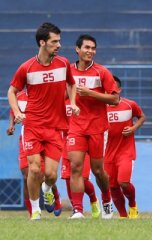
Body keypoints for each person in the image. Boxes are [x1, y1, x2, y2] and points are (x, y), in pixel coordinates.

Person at [7, 22, 79, 220]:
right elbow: (12, 91)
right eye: (54, 42)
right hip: (33, 126)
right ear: (42, 42)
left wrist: (72, 102)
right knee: (34, 169)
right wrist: (17, 112)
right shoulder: (27, 68)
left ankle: (48, 189)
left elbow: (72, 84)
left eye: (59, 41)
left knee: (50, 174)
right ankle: (35, 211)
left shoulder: (63, 63)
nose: (59, 45)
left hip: (56, 127)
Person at [68, 34, 119, 219]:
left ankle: (106, 199)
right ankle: (77, 210)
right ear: (77, 49)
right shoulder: (68, 72)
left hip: (98, 127)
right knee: (76, 167)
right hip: (76, 127)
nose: (90, 51)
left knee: (98, 171)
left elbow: (115, 99)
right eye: (87, 47)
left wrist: (90, 93)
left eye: (93, 48)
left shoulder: (101, 72)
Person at [6, 89, 63, 218]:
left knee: (46, 174)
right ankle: (34, 212)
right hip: (27, 137)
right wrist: (12, 125)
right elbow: (13, 111)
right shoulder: (19, 96)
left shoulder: (46, 93)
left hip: (47, 136)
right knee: (28, 175)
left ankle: (53, 194)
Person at [104, 76, 146, 219]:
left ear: (119, 90)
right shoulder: (101, 108)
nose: (110, 91)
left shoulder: (129, 105)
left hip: (125, 151)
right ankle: (123, 216)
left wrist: (133, 128)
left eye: (113, 89)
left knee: (123, 182)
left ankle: (133, 205)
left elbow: (141, 117)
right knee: (113, 186)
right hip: (107, 152)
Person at [61, 99, 101, 218]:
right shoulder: (60, 101)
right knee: (69, 179)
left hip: (83, 142)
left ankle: (93, 199)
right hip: (66, 142)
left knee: (81, 178)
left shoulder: (84, 100)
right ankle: (77, 210)